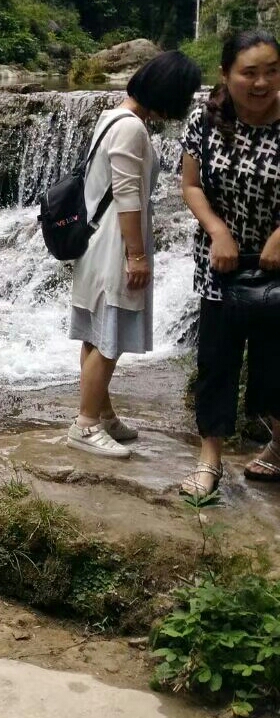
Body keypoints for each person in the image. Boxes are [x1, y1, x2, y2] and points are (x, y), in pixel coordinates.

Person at [68, 51, 203, 458]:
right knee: (109, 337)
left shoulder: (112, 117)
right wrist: (138, 257)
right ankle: (86, 424)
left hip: (97, 242)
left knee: (97, 332)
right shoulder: (132, 130)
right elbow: (128, 197)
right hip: (114, 246)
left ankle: (102, 412)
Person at [177, 28, 280, 497]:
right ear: (225, 75)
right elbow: (192, 186)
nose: (262, 83)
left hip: (278, 266)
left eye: (273, 72)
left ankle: (278, 447)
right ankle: (209, 459)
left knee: (275, 362)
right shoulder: (205, 119)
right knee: (216, 361)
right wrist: (218, 232)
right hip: (220, 264)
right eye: (250, 73)